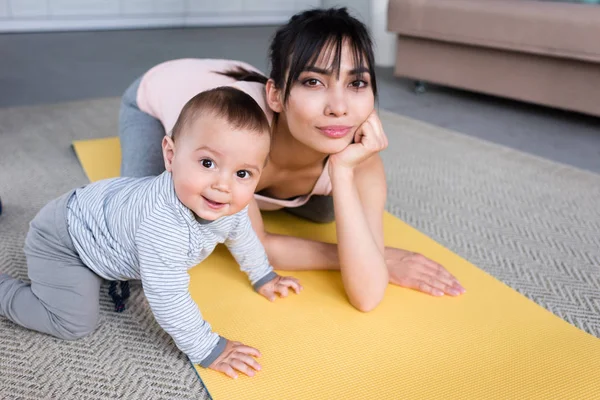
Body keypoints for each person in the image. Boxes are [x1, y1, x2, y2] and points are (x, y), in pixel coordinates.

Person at [118, 8, 466, 312]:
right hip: (158, 93)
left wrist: (343, 171)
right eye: (313, 81)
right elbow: (260, 248)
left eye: (357, 82)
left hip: (250, 96)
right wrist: (383, 257)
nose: (339, 107)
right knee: (144, 221)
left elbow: (368, 297)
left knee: (329, 210)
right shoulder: (237, 139)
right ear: (276, 95)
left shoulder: (363, 159)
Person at [0, 87, 302, 379]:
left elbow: (243, 236)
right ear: (170, 155)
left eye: (242, 174)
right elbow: (168, 298)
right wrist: (209, 348)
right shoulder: (162, 225)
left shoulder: (229, 206)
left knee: (149, 271)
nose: (223, 185)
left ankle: (105, 261)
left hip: (102, 221)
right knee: (72, 322)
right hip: (63, 240)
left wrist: (263, 275)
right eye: (207, 163)